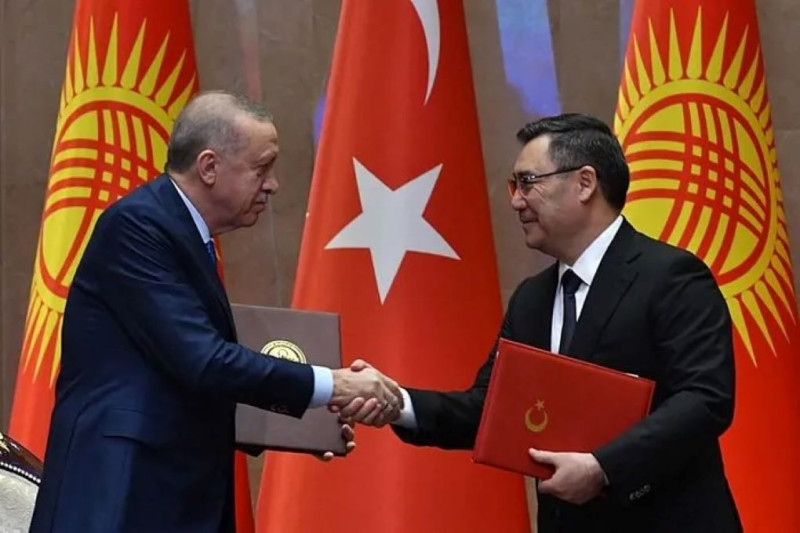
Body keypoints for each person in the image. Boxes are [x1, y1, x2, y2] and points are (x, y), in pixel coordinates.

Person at [342, 114, 742, 532]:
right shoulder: (532, 299)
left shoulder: (671, 276)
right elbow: (490, 409)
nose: (516, 201)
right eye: (514, 186)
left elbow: (704, 398)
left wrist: (603, 467)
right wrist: (398, 402)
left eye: (528, 182)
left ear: (584, 183)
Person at [30, 91, 399, 532]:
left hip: (167, 493)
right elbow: (203, 361)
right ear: (209, 167)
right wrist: (333, 385)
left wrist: (306, 428)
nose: (273, 185)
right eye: (261, 168)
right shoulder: (138, 226)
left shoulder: (182, 232)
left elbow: (181, 376)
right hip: (124, 495)